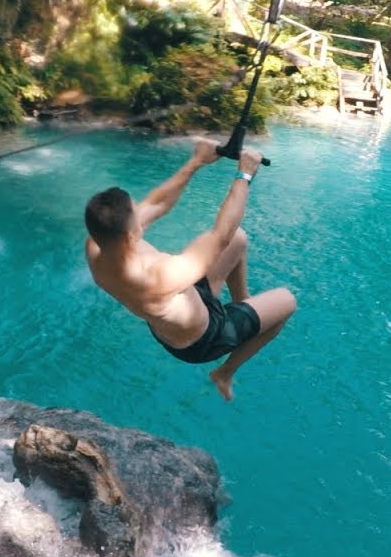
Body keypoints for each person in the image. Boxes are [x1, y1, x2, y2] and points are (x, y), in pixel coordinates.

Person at [83, 137, 297, 401]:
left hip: (184, 304)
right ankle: (224, 372)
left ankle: (244, 304)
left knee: (238, 238)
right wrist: (244, 174)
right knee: (287, 301)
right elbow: (220, 235)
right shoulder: (157, 276)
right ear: (130, 235)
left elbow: (157, 203)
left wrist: (196, 162)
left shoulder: (96, 244)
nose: (141, 214)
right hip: (203, 340)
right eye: (134, 216)